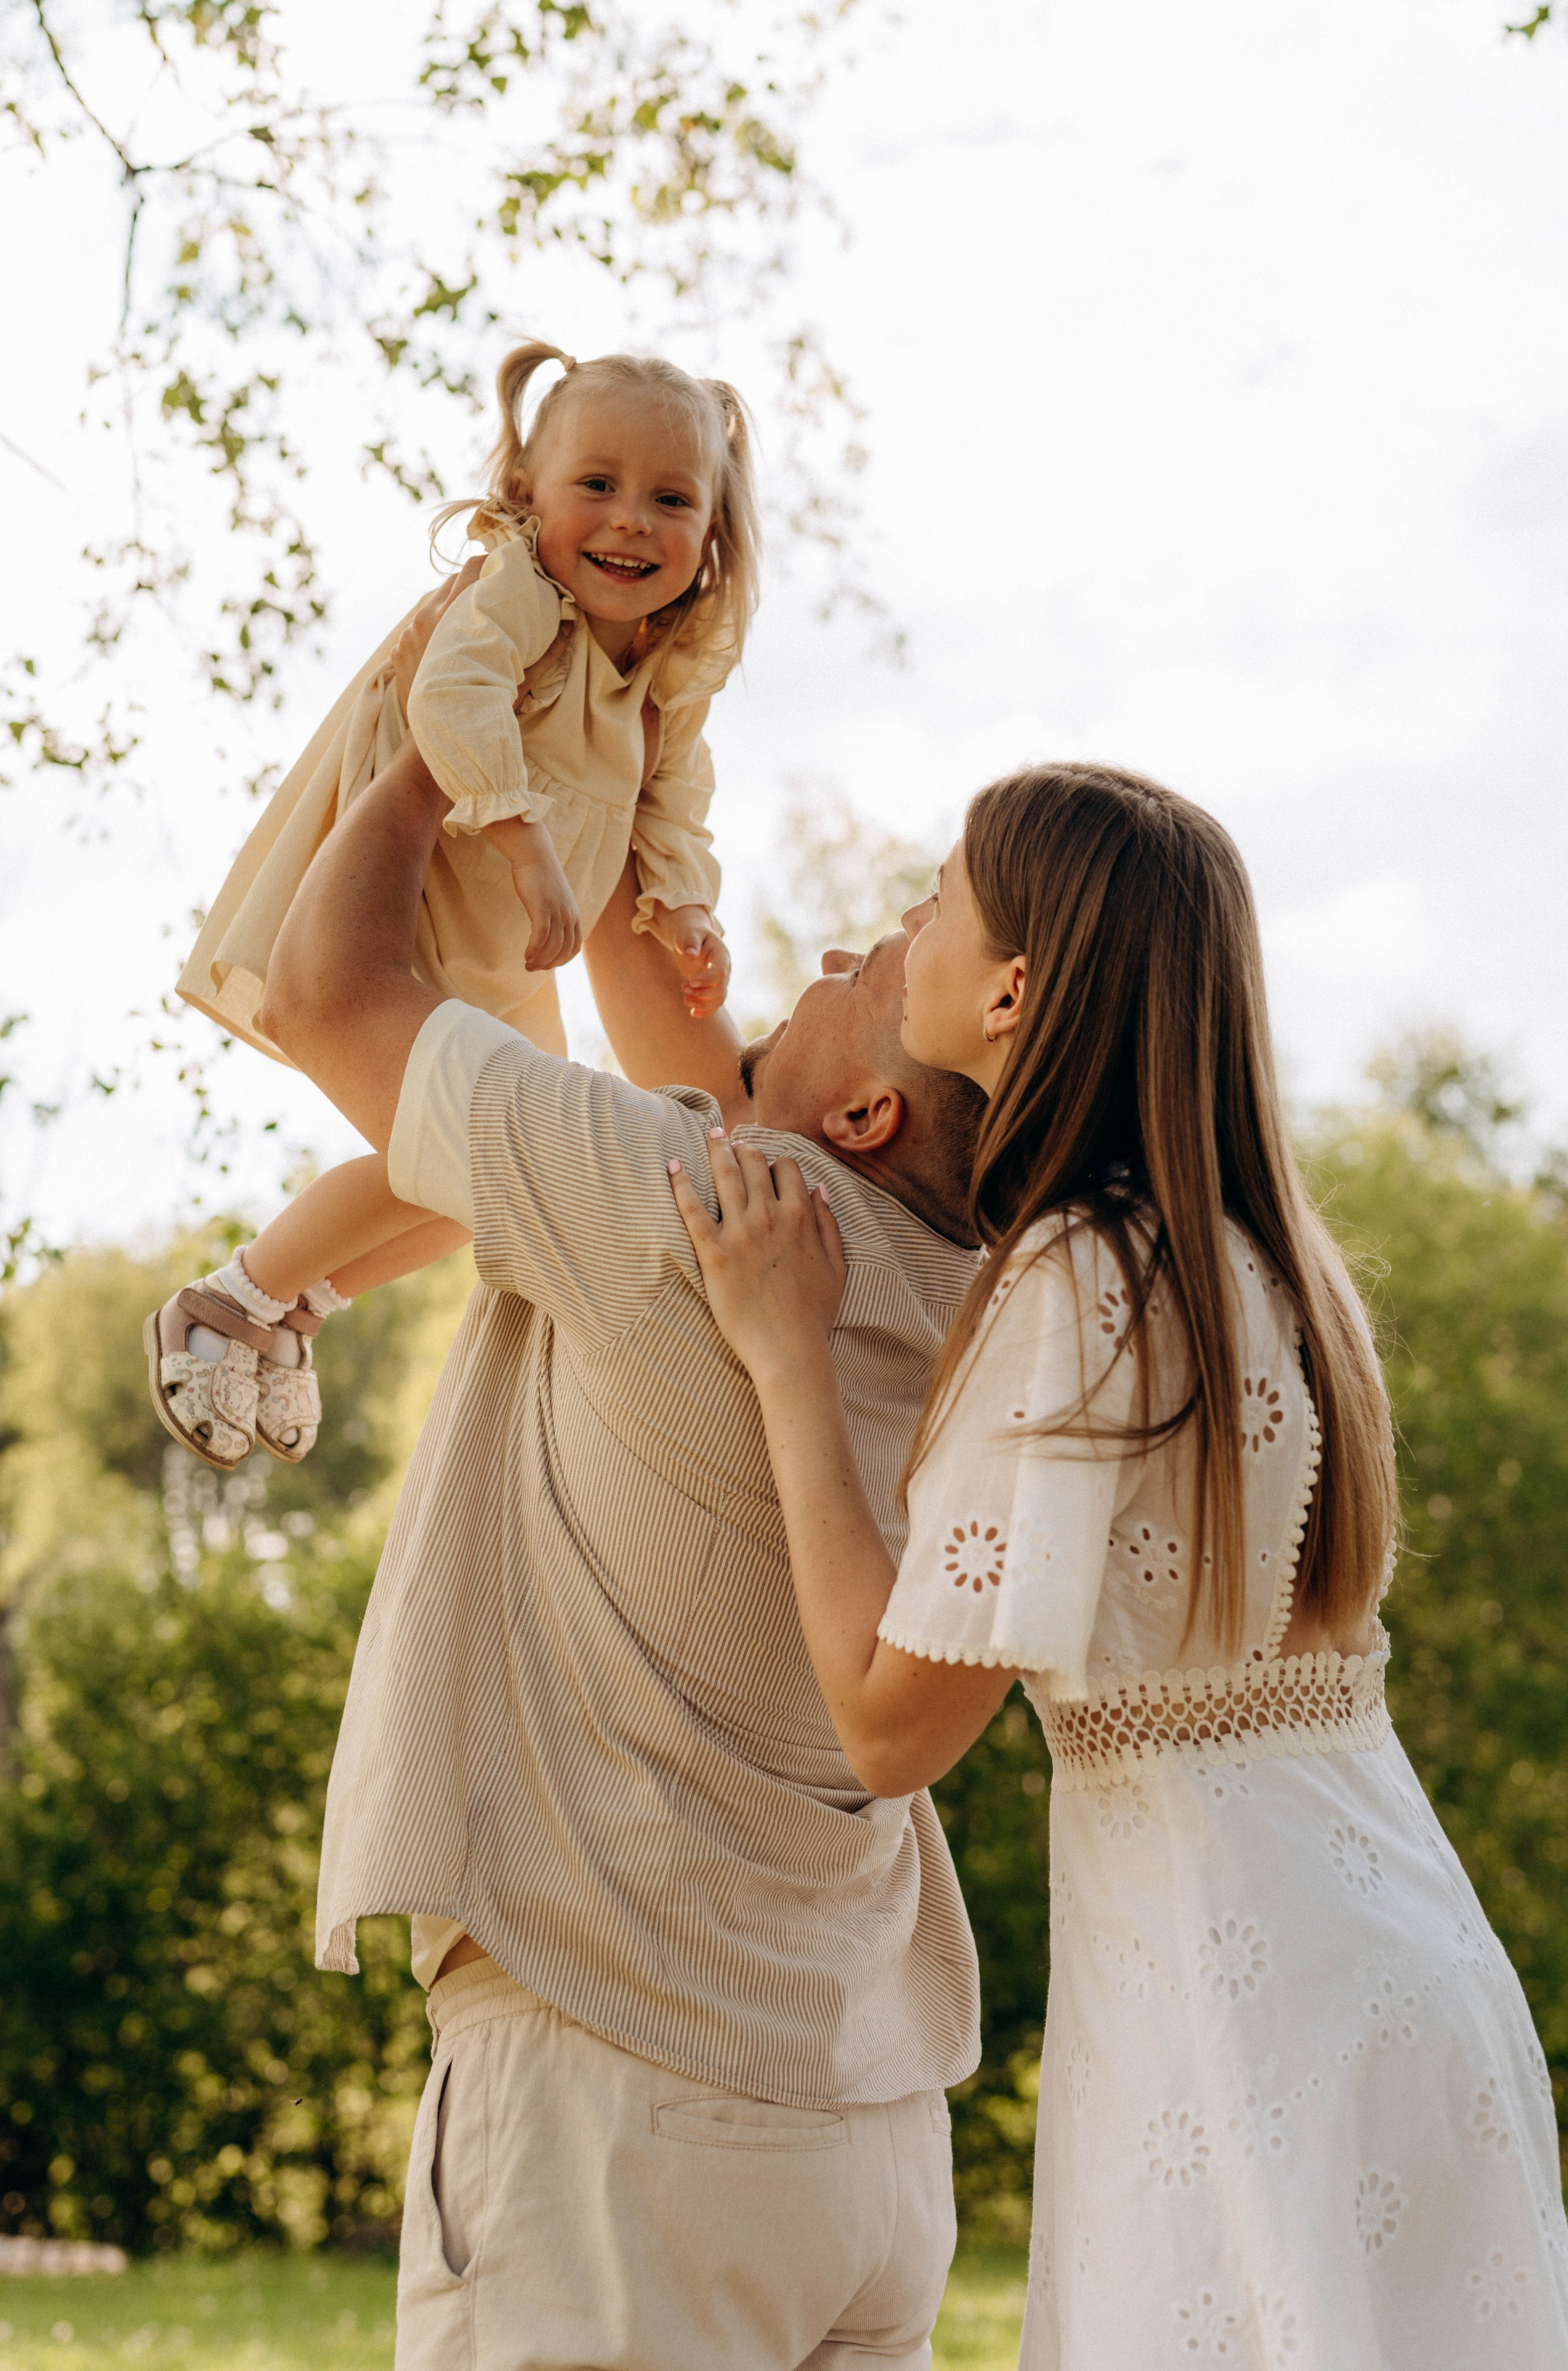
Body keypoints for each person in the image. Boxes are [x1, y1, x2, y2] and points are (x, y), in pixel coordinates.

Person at [672, 762, 1568, 2370]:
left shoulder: (1081, 1276)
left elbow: (892, 1731)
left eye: (939, 896)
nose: (908, 922)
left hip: (1242, 2004)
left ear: (1014, 985)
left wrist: (784, 1356)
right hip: (1392, 1951)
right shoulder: (1259, 1259)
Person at [255, 724, 990, 2369]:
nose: (844, 947)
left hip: (615, 2113)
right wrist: (623, 796)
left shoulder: (674, 1193)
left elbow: (327, 988)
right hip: (864, 2135)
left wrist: (450, 753)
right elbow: (698, 1044)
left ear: (867, 1109)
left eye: (883, 957)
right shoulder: (987, 1322)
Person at [150, 339, 755, 1471]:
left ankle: (298, 1306)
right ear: (529, 494)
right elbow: (454, 697)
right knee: (463, 1152)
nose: (631, 521)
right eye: (598, 486)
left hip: (510, 953)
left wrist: (685, 912)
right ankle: (231, 1300)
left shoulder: (662, 674)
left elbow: (674, 803)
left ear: (712, 530)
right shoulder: (516, 594)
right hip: (425, 909)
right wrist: (528, 846)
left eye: (671, 499)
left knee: (497, 1191)